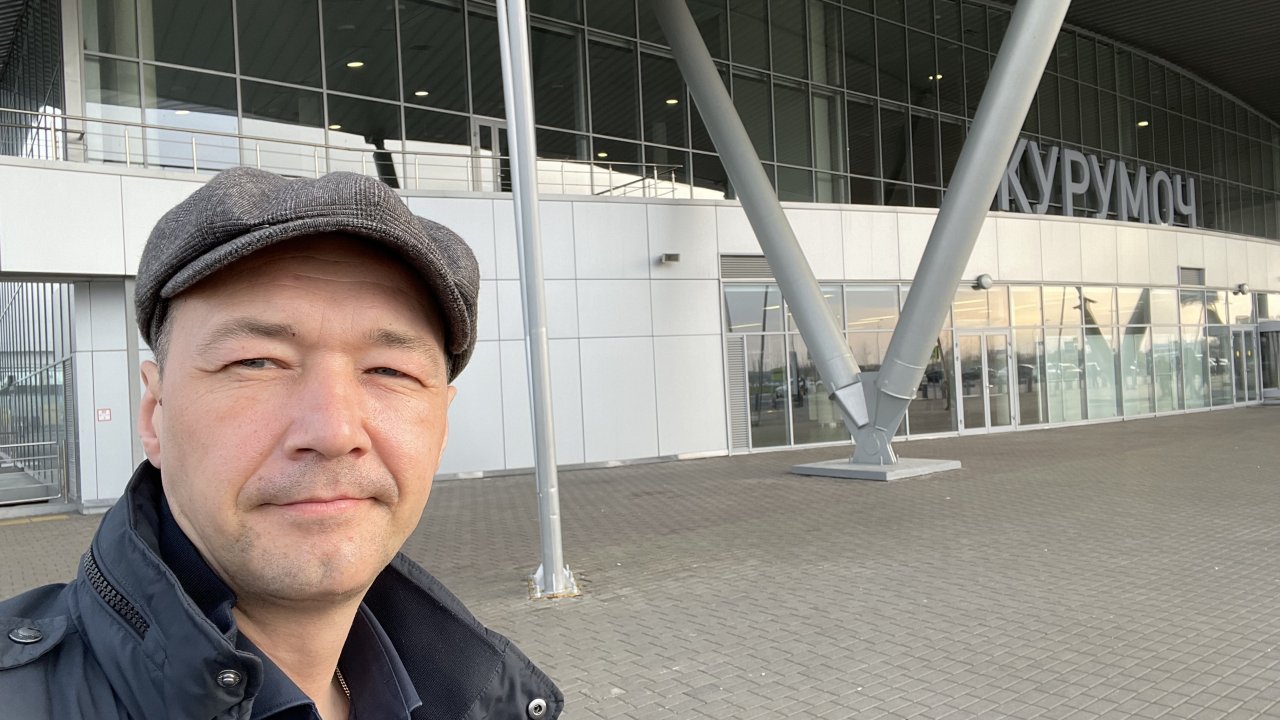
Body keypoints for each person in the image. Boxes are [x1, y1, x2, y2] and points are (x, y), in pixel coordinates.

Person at [0, 167, 563, 720]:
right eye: (256, 362)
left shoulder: (476, 695)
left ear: (441, 428)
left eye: (390, 370)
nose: (334, 433)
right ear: (155, 415)